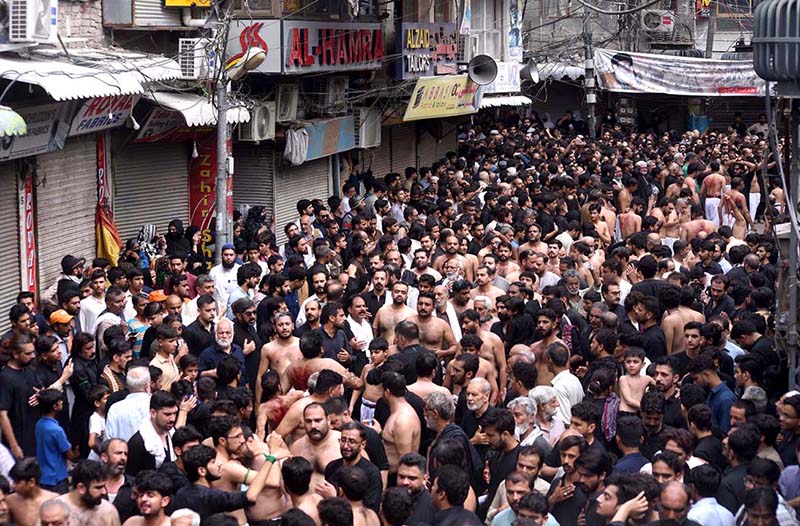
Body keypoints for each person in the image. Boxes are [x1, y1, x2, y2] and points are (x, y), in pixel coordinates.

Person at [170, 444, 278, 522]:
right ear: (202, 471)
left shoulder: (180, 493)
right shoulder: (211, 496)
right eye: (213, 462)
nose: (219, 464)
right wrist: (271, 459)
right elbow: (250, 496)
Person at [35, 389, 76, 493]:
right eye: (60, 401)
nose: (62, 402)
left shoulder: (39, 424)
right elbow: (69, 455)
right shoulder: (57, 430)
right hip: (57, 477)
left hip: (42, 476)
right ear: (54, 406)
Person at [57, 460, 121, 526]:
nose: (104, 492)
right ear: (81, 487)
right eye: (98, 488)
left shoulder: (108, 512)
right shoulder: (56, 510)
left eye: (104, 486)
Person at [6, 459, 59, 526]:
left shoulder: (54, 500)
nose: (13, 486)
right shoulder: (10, 501)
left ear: (31, 482)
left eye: (17, 482)